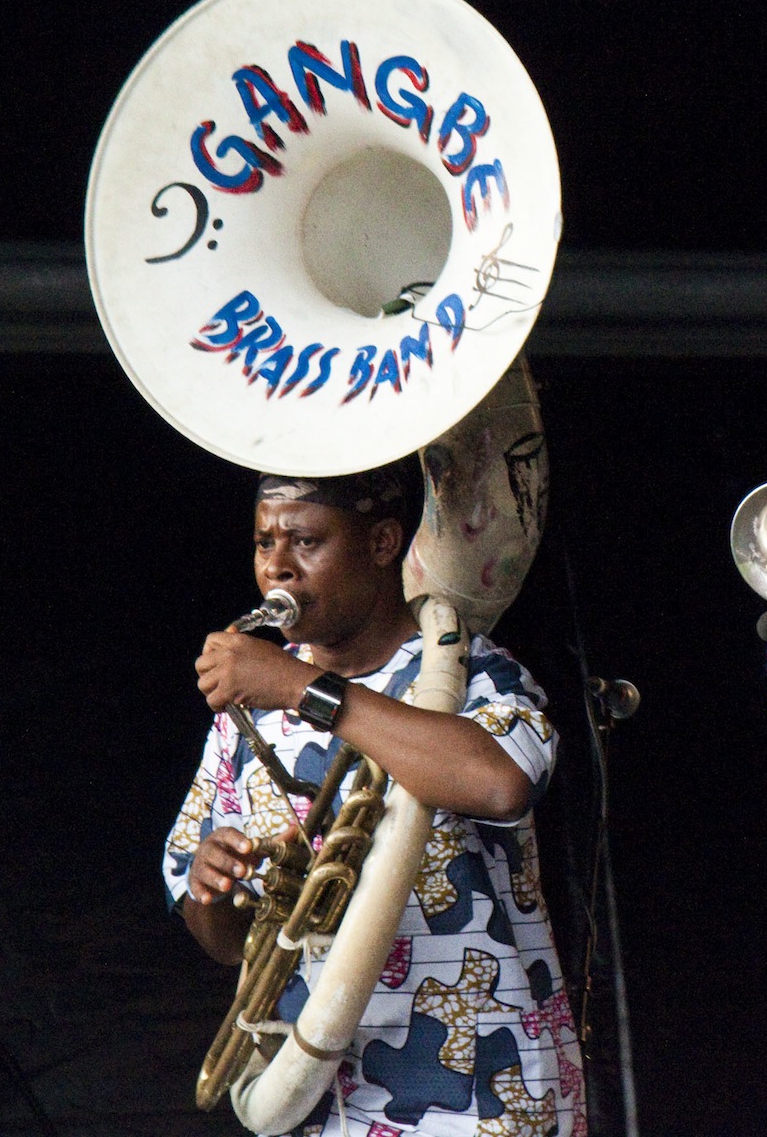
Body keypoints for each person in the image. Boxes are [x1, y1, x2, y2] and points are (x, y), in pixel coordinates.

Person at [164, 464, 583, 1136]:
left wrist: (305, 688)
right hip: (322, 1105)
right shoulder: (246, 716)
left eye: (305, 541)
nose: (278, 568)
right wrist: (213, 887)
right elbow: (221, 941)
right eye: (263, 542)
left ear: (383, 542)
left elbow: (500, 781)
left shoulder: (469, 670)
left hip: (483, 1102)